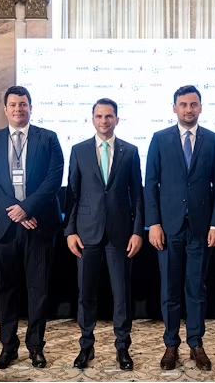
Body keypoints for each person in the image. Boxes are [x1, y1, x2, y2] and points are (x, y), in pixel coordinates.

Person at [0, 85, 64, 369]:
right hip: (3, 227)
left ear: (30, 107)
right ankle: (8, 347)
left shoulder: (48, 138)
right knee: (6, 289)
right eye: (13, 105)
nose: (18, 109)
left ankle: (36, 346)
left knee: (38, 289)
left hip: (39, 225)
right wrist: (15, 211)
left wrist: (27, 207)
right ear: (5, 109)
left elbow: (54, 179)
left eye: (23, 104)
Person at [145, 85, 215, 371]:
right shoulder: (160, 139)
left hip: (201, 229)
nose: (188, 109)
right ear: (174, 108)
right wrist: (153, 223)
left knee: (196, 289)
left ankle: (196, 343)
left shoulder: (213, 140)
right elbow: (150, 184)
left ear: (200, 107)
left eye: (193, 104)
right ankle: (171, 344)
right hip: (168, 229)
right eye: (183, 104)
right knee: (170, 290)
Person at [64, 98, 144, 371]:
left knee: (121, 294)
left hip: (120, 234)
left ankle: (122, 347)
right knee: (86, 294)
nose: (104, 121)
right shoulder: (79, 151)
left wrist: (137, 231)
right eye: (99, 116)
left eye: (109, 116)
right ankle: (86, 345)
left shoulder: (130, 151)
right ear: (92, 119)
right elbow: (72, 194)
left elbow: (138, 196)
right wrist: (70, 231)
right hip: (86, 233)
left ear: (117, 120)